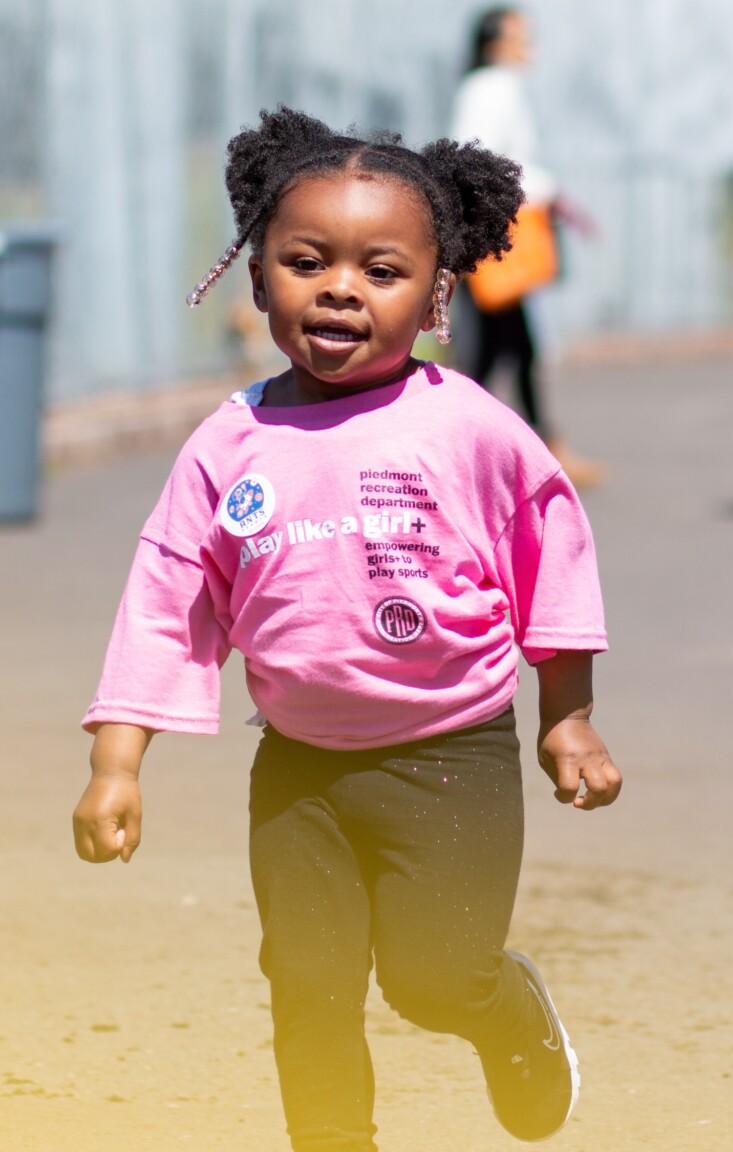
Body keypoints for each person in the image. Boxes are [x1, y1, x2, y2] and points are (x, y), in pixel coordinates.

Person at [72, 106, 622, 1152]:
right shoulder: (232, 440)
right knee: (307, 982)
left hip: (451, 761)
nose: (340, 288)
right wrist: (117, 762)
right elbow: (169, 595)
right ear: (258, 279)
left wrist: (568, 718)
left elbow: (553, 554)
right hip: (299, 769)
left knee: (433, 978)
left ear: (436, 293)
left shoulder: (468, 428)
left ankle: (505, 1010)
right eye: (307, 261)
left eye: (381, 270)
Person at [451, 6, 606, 487]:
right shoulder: (492, 86)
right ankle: (490, 449)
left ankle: (504, 447)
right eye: (519, 35)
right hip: (497, 234)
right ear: (494, 41)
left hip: (497, 230)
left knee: (504, 349)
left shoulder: (495, 85)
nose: (529, 44)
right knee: (505, 350)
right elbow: (478, 154)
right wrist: (548, 189)